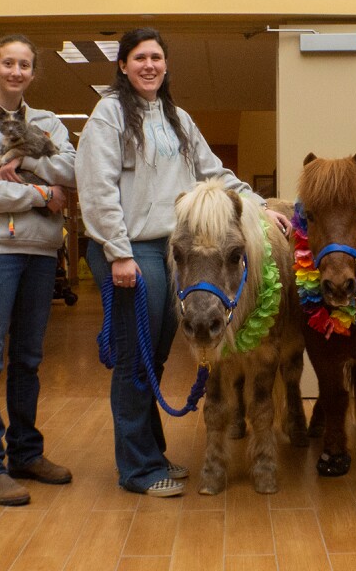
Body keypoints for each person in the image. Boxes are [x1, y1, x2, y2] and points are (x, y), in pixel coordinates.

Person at [76, 28, 289, 498]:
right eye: (138, 58)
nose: (148, 65)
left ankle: (152, 453)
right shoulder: (108, 115)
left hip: (172, 252)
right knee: (135, 360)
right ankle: (137, 467)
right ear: (123, 66)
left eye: (156, 57)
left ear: (166, 66)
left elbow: (213, 172)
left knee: (153, 356)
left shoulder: (178, 119)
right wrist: (117, 252)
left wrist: (257, 205)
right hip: (128, 250)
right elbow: (96, 190)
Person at [0, 34, 75, 506]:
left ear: (32, 72)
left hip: (42, 251)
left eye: (25, 64)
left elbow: (71, 168)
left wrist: (24, 159)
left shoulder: (46, 123)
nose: (16, 72)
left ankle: (25, 453)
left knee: (27, 360)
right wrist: (41, 195)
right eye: (8, 63)